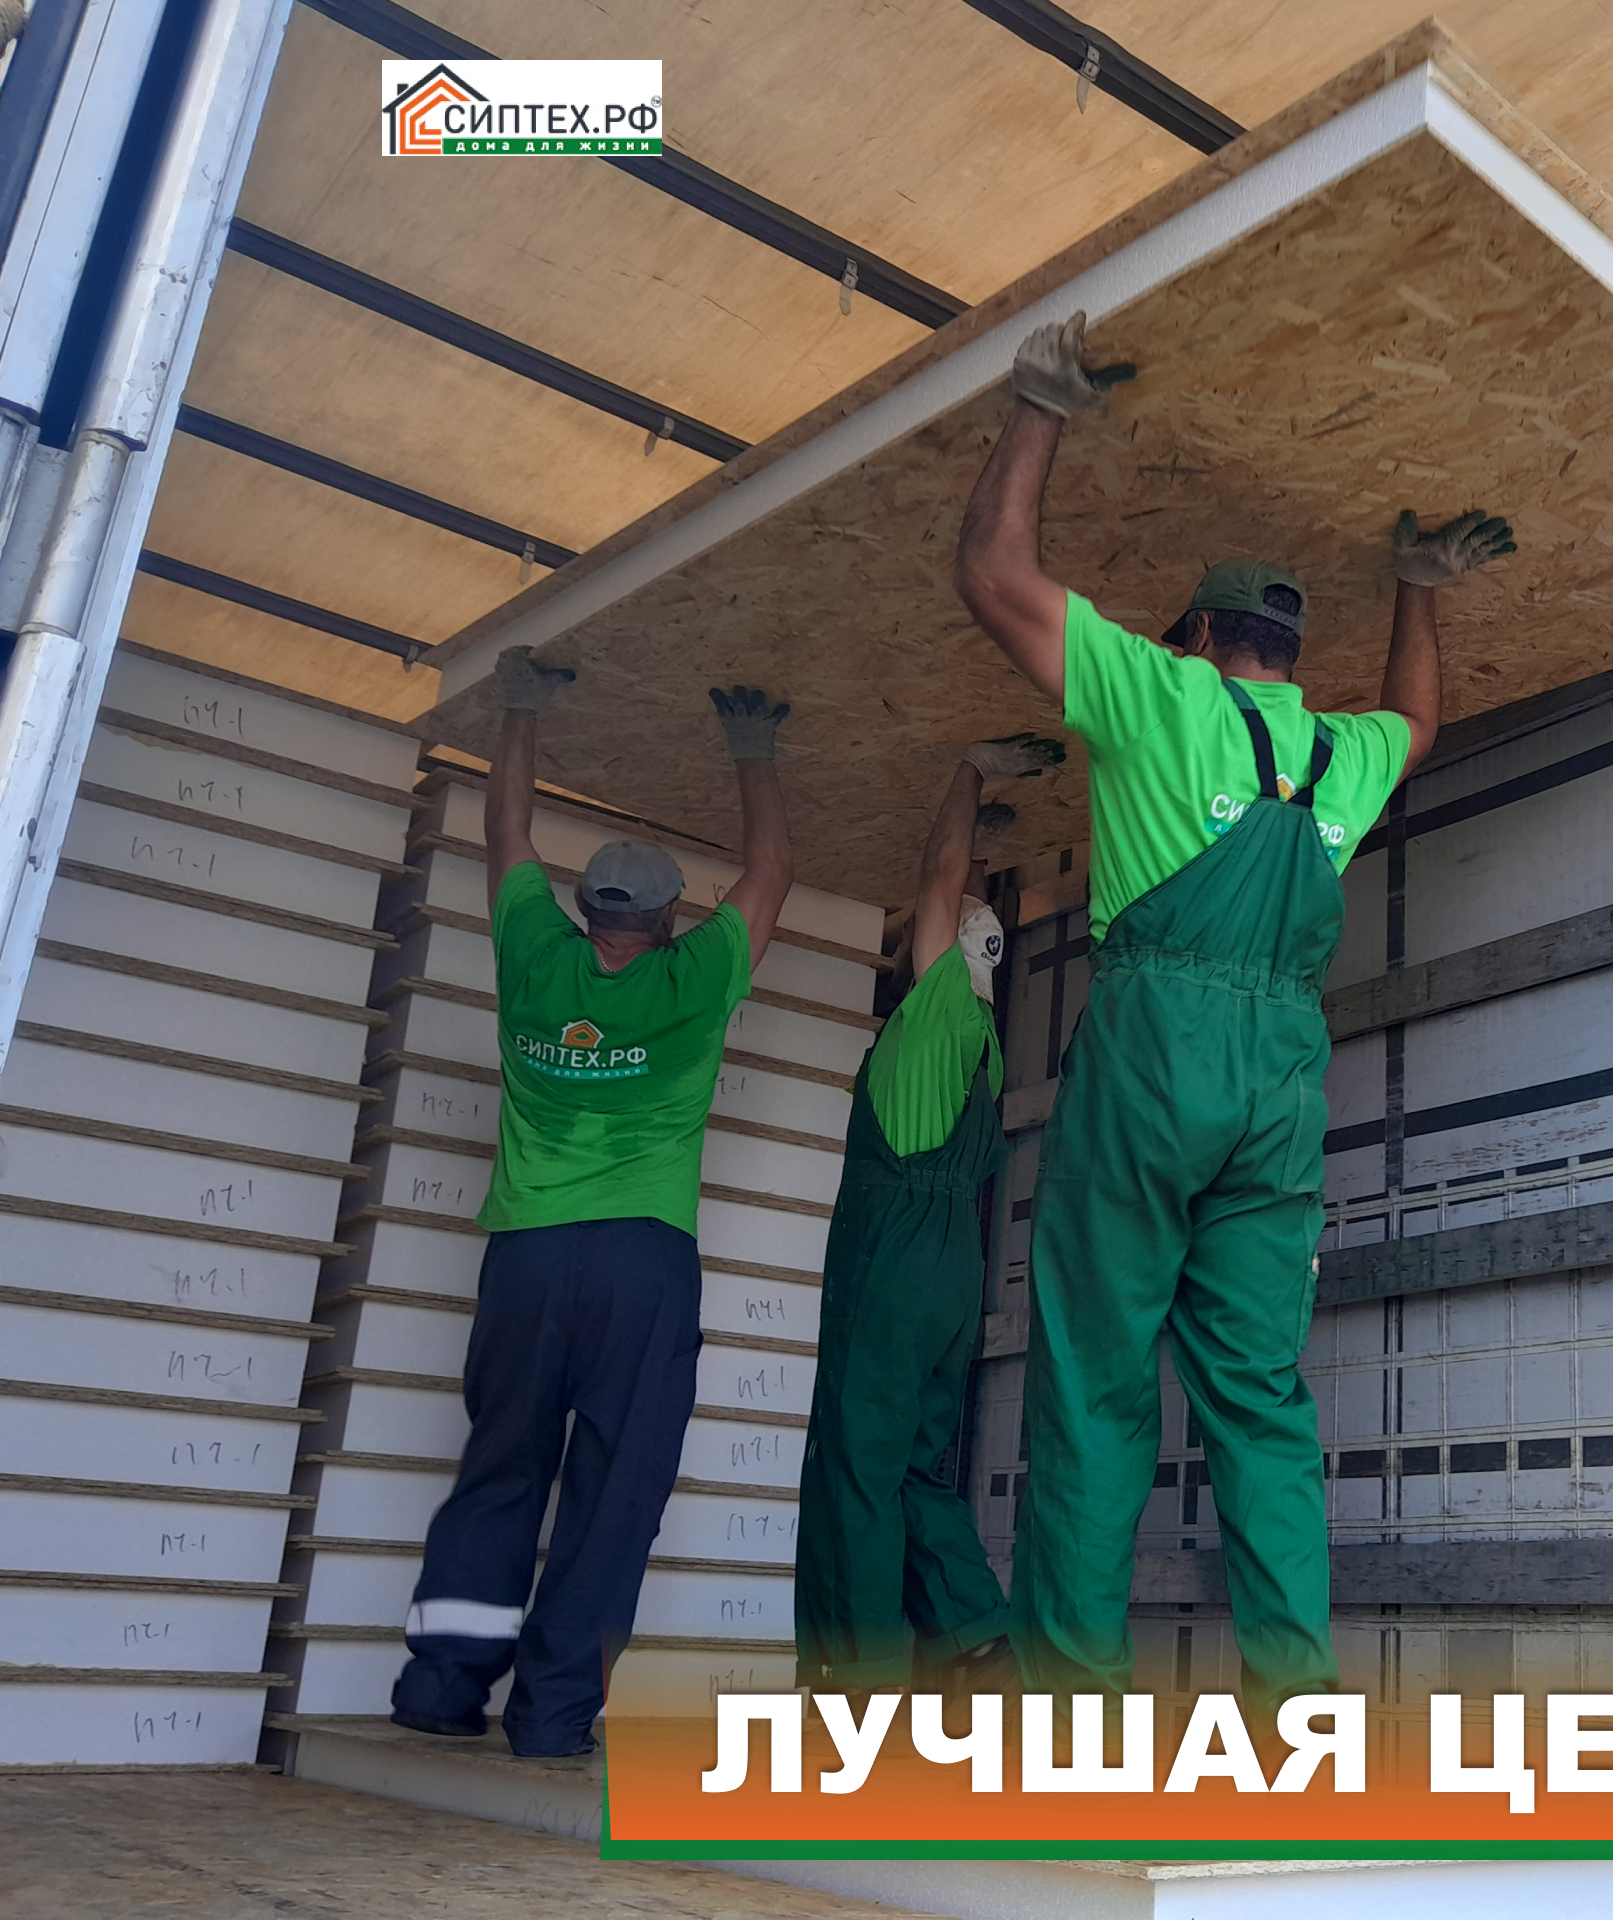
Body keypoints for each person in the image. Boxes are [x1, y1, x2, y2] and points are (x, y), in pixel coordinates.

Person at [953, 311, 1514, 1721]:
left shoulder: (1163, 696)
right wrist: (1417, 592)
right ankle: (1297, 1713)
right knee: (1260, 1397)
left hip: (1153, 1057)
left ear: (1202, 637)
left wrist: (1039, 409)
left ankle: (1069, 1714)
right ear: (1287, 650)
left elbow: (993, 576)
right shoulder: (1340, 754)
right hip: (1275, 1084)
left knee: (1094, 1382)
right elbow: (1420, 722)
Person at [390, 651, 795, 1757]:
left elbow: (504, 830)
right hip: (638, 1263)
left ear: (582, 911)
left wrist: (521, 709)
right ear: (668, 919)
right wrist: (753, 751)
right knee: (614, 1492)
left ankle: (441, 1690)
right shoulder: (695, 978)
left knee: (501, 1468)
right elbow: (771, 872)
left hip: (525, 1258)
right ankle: (552, 1713)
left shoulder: (531, 954)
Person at [794, 735, 1063, 1693]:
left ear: (944, 954)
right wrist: (988, 841)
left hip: (893, 1260)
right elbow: (965, 904)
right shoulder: (982, 1040)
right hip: (953, 1268)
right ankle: (969, 1633)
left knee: (854, 1466)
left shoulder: (936, 1005)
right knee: (911, 1462)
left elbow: (938, 877)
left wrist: (969, 774)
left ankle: (853, 1675)